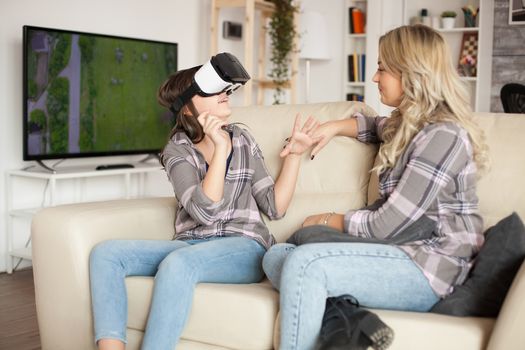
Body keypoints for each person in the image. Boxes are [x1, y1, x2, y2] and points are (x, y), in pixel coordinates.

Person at [262, 24, 489, 350]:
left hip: (430, 267)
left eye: (382, 68)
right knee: (277, 256)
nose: (374, 77)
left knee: (303, 261)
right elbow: (375, 126)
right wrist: (333, 127)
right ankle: (354, 322)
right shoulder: (410, 123)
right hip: (400, 252)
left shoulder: (443, 136)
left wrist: (326, 219)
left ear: (412, 73)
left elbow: (385, 225)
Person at [89, 54, 320, 350]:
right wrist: (221, 151)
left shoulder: (242, 139)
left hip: (244, 247)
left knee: (178, 264)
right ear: (187, 108)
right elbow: (203, 210)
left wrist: (295, 155)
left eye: (225, 89)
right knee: (106, 254)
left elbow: (275, 207)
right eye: (212, 90)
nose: (224, 94)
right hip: (192, 243)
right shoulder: (178, 151)